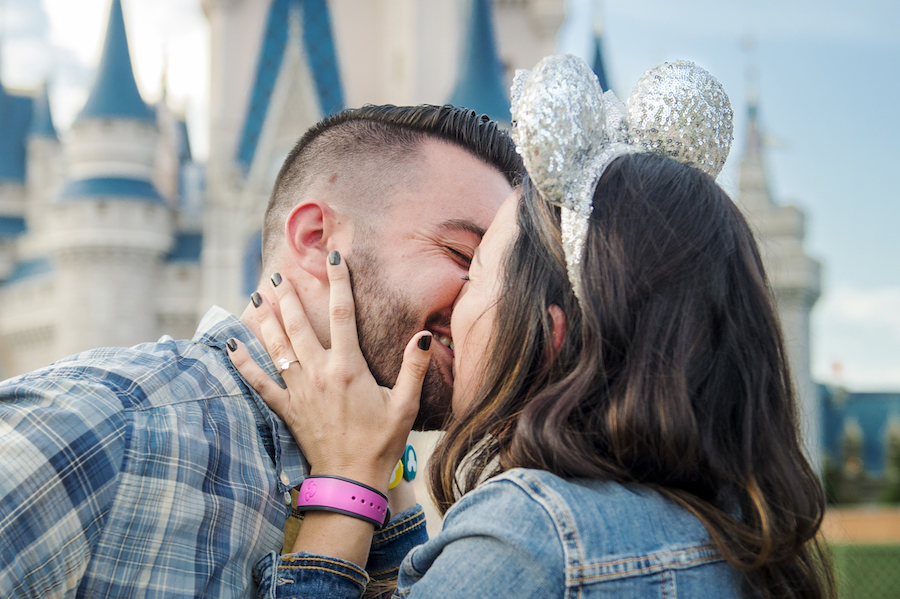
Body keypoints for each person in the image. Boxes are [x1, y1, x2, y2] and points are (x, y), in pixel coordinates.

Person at [230, 56, 834, 598]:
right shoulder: (741, 532)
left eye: (476, 269)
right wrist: (384, 472)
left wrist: (342, 482)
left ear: (551, 333)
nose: (455, 306)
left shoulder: (532, 540)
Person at [0, 104, 523, 597]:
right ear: (317, 239)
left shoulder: (388, 476)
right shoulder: (104, 429)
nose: (496, 305)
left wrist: (381, 474)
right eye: (463, 254)